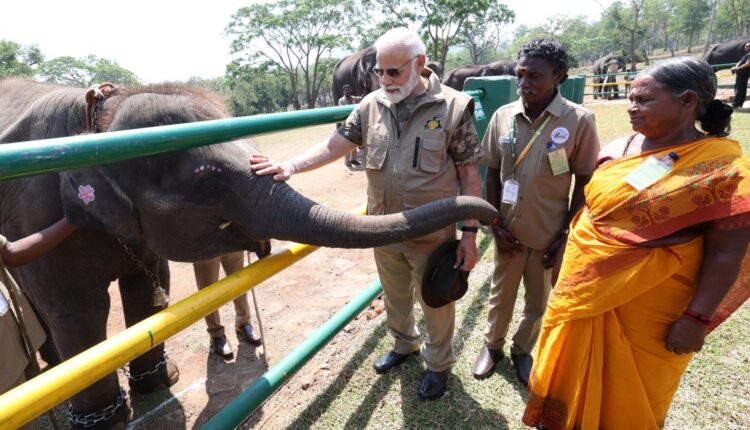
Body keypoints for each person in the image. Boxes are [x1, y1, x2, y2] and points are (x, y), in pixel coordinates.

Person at [250, 27, 482, 400]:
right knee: (394, 296)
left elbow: (470, 172)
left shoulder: (453, 107)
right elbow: (334, 145)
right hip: (381, 230)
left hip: (432, 233)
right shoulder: (371, 105)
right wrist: (290, 166)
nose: (385, 79)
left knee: (437, 301)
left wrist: (469, 235)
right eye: (380, 71)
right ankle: (404, 345)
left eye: (394, 71)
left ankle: (438, 365)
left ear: (420, 64)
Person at [523, 57, 750, 429]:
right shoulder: (619, 146)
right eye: (631, 98)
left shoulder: (721, 169)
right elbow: (590, 210)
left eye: (644, 100)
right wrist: (567, 250)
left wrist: (696, 319)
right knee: (566, 376)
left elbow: (727, 251)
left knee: (628, 398)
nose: (632, 107)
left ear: (687, 101)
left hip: (649, 312)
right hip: (580, 291)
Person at [472, 39, 600, 386]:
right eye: (520, 74)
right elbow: (493, 174)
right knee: (501, 295)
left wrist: (565, 235)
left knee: (538, 299)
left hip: (549, 233)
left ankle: (522, 349)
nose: (524, 83)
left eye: (535, 76)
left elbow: (585, 180)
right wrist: (495, 223)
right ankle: (492, 347)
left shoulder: (578, 120)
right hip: (508, 230)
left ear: (559, 76)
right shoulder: (502, 117)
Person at [1, 218, 78, 428]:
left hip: (13, 334)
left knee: (25, 408)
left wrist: (72, 220)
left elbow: (10, 253)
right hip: (4, 362)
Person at [193, 251, 262, 360]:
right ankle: (215, 333)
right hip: (204, 239)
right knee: (208, 285)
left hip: (231, 235)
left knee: (238, 277)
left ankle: (243, 321)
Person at [337, 84, 364, 167]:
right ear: (343, 91)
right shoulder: (341, 100)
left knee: (354, 142)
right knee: (347, 142)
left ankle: (354, 159)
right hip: (346, 123)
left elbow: (362, 97)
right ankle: (347, 161)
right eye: (346, 90)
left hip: (354, 123)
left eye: (349, 89)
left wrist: (365, 88)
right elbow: (344, 109)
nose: (348, 91)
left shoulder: (354, 98)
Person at [730, 42, 750, 109]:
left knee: (739, 89)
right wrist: (735, 68)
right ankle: (739, 103)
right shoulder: (747, 54)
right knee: (741, 88)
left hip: (743, 74)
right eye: (745, 46)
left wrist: (737, 68)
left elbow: (748, 64)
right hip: (742, 74)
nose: (745, 47)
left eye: (747, 46)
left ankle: (736, 104)